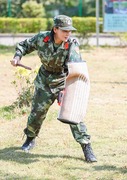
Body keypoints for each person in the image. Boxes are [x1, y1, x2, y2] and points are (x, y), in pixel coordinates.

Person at [10, 15, 97, 162]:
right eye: (64, 30)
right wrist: (17, 57)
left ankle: (86, 147)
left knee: (73, 115)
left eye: (70, 30)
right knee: (37, 113)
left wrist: (65, 90)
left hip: (64, 80)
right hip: (44, 80)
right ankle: (30, 139)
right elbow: (24, 45)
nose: (68, 33)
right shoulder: (41, 38)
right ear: (55, 29)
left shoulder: (72, 44)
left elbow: (75, 70)